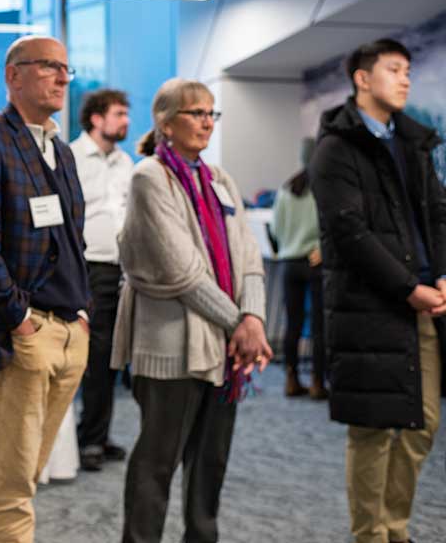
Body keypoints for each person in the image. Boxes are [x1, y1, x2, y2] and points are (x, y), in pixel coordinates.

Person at [0, 35, 90, 543]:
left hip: (70, 331)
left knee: (26, 477)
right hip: (23, 334)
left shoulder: (61, 150)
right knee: (12, 487)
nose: (60, 77)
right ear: (13, 76)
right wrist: (18, 319)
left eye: (65, 68)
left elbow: (73, 239)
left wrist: (83, 314)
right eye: (48, 66)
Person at [111, 78, 271, 543]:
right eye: (195, 113)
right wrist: (240, 323)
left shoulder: (220, 180)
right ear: (165, 123)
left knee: (210, 464)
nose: (206, 122)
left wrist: (253, 320)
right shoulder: (149, 177)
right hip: (171, 348)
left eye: (211, 113)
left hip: (226, 346)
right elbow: (182, 271)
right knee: (156, 464)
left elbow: (249, 259)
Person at [310, 38, 444, 543]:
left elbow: (438, 213)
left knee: (422, 425)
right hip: (371, 307)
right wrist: (409, 287)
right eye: (394, 69)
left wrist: (442, 275)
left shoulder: (413, 142)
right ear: (362, 79)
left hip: (426, 303)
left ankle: (396, 529)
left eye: (408, 69)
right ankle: (371, 535)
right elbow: (350, 233)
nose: (405, 78)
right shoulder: (336, 147)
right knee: (373, 430)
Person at [69, 88, 134, 471]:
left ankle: (98, 433)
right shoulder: (72, 157)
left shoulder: (126, 162)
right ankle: (87, 438)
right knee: (93, 356)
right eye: (119, 114)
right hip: (87, 268)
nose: (125, 121)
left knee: (112, 357)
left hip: (123, 270)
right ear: (97, 118)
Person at [272, 137, 327, 399]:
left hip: (288, 263)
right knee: (319, 326)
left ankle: (291, 380)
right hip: (315, 262)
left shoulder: (286, 188)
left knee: (292, 324)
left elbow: (275, 229)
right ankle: (318, 382)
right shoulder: (325, 188)